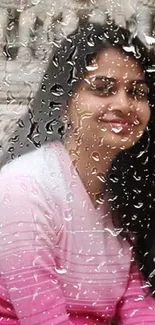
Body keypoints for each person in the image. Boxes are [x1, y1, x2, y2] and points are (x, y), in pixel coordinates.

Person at [0, 21, 155, 325]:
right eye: (102, 89)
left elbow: (140, 305)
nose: (123, 104)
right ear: (63, 102)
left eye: (137, 92)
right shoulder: (22, 188)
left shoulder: (129, 191)